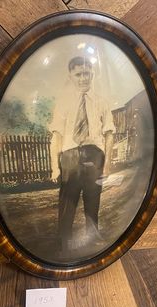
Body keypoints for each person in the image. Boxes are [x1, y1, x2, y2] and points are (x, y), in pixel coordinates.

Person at [49, 56, 115, 252]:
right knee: (68, 200)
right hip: (70, 156)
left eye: (86, 73)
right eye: (78, 74)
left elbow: (109, 135)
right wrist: (54, 167)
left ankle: (92, 236)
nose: (83, 78)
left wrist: (108, 165)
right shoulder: (63, 103)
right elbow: (57, 137)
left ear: (92, 74)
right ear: (71, 76)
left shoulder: (101, 102)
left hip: (94, 155)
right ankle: (63, 240)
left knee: (93, 197)